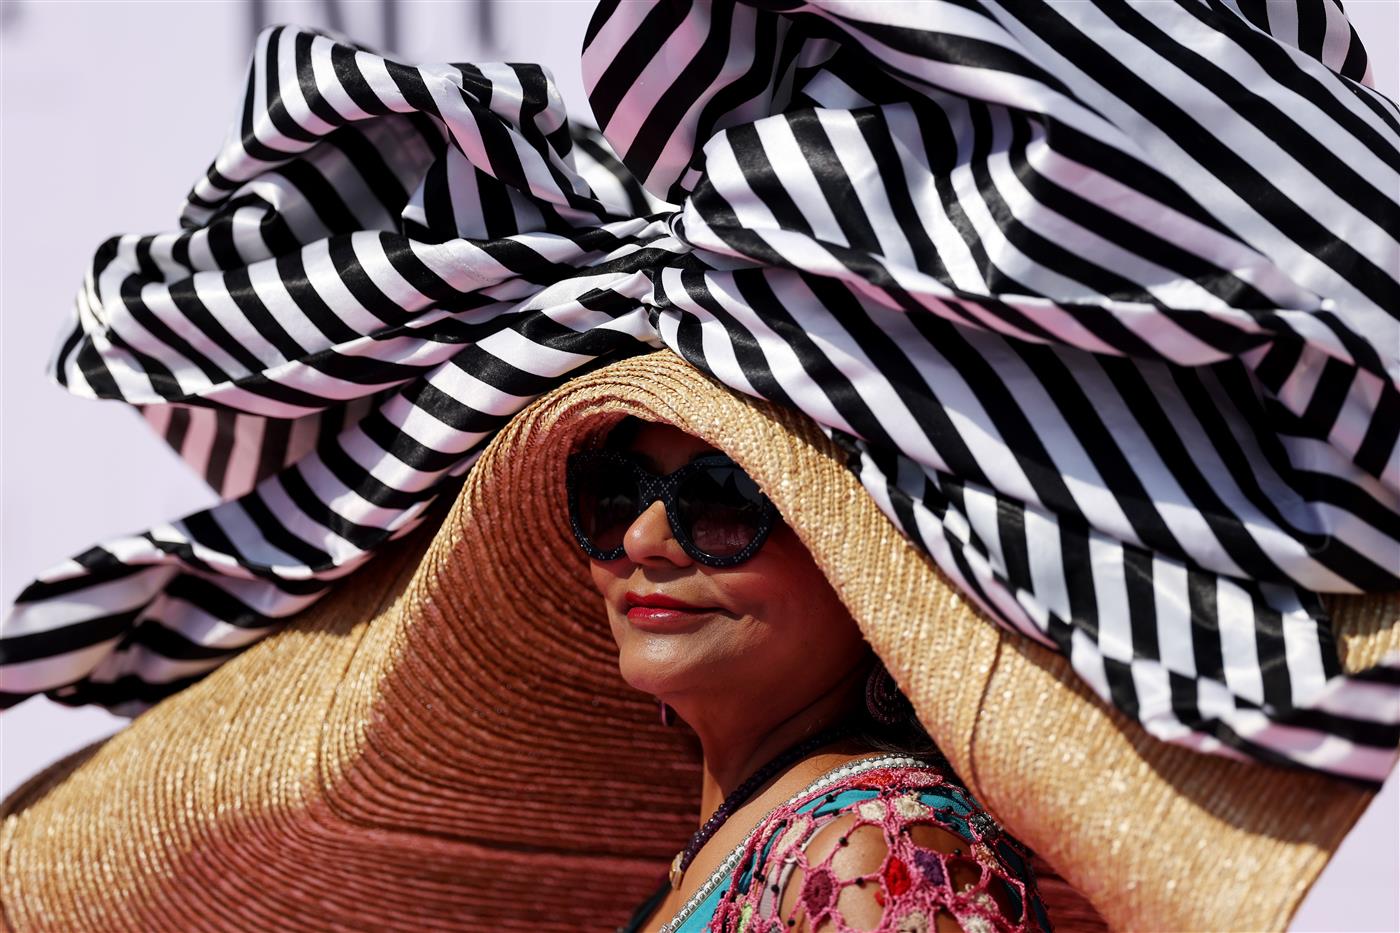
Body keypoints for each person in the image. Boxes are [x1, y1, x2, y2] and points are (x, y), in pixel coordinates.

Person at [576, 418, 1049, 931]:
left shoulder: (871, 859)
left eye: (724, 496)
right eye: (617, 492)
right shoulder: (765, 843)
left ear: (874, 566)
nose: (640, 537)